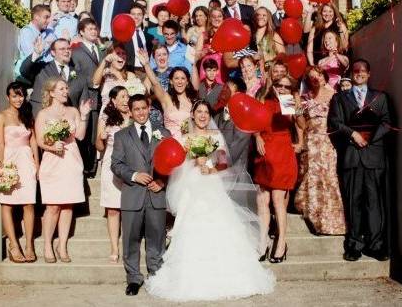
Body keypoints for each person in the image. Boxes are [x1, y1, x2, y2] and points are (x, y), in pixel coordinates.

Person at [145, 100, 275, 301]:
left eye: (206, 112)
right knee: (190, 224)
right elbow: (176, 161)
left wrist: (212, 168)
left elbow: (223, 162)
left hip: (211, 184)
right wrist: (192, 161)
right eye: (199, 111)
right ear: (193, 114)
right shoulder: (185, 137)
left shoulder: (216, 137)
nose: (203, 115)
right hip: (191, 184)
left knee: (220, 223)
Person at [328, 59, 392, 262]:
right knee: (353, 202)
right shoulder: (339, 98)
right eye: (356, 71)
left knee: (374, 203)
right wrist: (354, 135)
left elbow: (387, 122)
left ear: (369, 74)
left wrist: (371, 137)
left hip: (373, 157)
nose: (359, 73)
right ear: (352, 74)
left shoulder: (380, 97)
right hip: (352, 157)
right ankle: (354, 244)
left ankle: (376, 244)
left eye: (363, 70)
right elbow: (334, 122)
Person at [110, 94, 172, 296]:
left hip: (156, 195)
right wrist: (134, 175)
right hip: (132, 195)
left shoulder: (164, 133)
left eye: (144, 108)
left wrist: (162, 181)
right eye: (136, 109)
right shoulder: (122, 136)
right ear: (130, 111)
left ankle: (157, 276)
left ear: (149, 108)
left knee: (156, 239)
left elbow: (172, 162)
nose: (141, 112)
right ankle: (134, 279)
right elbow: (116, 164)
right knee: (131, 239)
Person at [34, 78, 92, 263]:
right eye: (61, 88)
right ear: (51, 93)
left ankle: (63, 245)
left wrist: (84, 115)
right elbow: (40, 140)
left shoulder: (72, 111)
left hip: (71, 161)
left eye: (66, 88)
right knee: (52, 206)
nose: (65, 91)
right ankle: (47, 245)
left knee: (68, 206)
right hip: (52, 162)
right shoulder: (43, 114)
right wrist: (52, 147)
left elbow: (81, 136)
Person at [254, 77, 303, 263]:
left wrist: (295, 104)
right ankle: (263, 241)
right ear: (272, 85)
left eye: (286, 86)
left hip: (282, 150)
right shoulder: (263, 99)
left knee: (277, 199)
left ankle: (281, 242)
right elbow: (253, 122)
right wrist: (257, 137)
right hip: (264, 151)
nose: (281, 88)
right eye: (278, 85)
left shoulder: (289, 102)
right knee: (262, 199)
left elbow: (301, 125)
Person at [295, 67, 346, 235]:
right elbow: (300, 123)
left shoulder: (335, 96)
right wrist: (296, 106)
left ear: (324, 78)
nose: (315, 79)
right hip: (311, 142)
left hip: (328, 141)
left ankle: (332, 223)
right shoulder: (304, 98)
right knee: (312, 177)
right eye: (311, 77)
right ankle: (315, 219)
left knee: (329, 177)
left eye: (318, 76)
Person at [0, 82, 39, 263]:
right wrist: (1, 167)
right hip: (9, 161)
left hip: (26, 160)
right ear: (8, 97)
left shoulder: (28, 115)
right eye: (14, 96)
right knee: (8, 204)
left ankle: (29, 244)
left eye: (21, 95)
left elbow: (34, 140)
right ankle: (13, 244)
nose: (18, 99)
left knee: (29, 203)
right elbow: (0, 143)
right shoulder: (1, 116)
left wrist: (37, 163)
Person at [95, 86, 131, 264]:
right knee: (112, 208)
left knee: (130, 207)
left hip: (132, 164)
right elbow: (99, 147)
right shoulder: (106, 118)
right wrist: (101, 137)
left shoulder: (134, 116)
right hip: (111, 162)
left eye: (127, 96)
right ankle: (114, 248)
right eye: (122, 97)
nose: (126, 100)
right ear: (113, 100)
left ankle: (130, 247)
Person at [139, 49, 197, 144]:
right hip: (169, 145)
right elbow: (155, 83)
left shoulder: (193, 101)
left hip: (189, 145)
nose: (179, 81)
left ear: (187, 82)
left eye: (183, 78)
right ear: (171, 81)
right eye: (176, 78)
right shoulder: (166, 99)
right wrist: (146, 64)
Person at [70, 18, 104, 178]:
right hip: (84, 97)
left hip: (99, 97)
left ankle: (91, 167)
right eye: (89, 29)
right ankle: (83, 168)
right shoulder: (75, 52)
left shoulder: (101, 50)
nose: (93, 31)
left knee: (94, 135)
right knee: (84, 132)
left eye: (95, 28)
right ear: (81, 32)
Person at [20, 38, 80, 115]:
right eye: (62, 49)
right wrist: (36, 53)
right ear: (53, 52)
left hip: (65, 118)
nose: (66, 51)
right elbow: (24, 70)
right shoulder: (42, 68)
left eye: (68, 48)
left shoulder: (77, 73)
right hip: (41, 114)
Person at [92, 45, 147, 112]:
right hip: (108, 114)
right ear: (110, 56)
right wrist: (104, 61)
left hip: (127, 114)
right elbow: (95, 83)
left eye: (123, 53)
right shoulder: (104, 73)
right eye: (118, 53)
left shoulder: (130, 75)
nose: (121, 56)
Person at [15, 4, 56, 83]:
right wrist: (47, 44)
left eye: (49, 18)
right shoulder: (27, 31)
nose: (48, 21)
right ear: (36, 17)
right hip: (26, 76)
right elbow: (31, 55)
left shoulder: (43, 33)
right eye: (46, 17)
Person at [195, 6, 226, 84]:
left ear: (223, 18)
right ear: (210, 18)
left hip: (222, 71)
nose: (217, 19)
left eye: (219, 16)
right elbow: (195, 56)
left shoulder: (227, 35)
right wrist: (206, 51)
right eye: (214, 16)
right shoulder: (203, 35)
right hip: (206, 72)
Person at [123, 4, 152, 78]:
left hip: (146, 71)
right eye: (133, 14)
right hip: (129, 72)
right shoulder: (123, 35)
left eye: (139, 14)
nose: (136, 17)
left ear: (143, 16)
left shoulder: (148, 36)